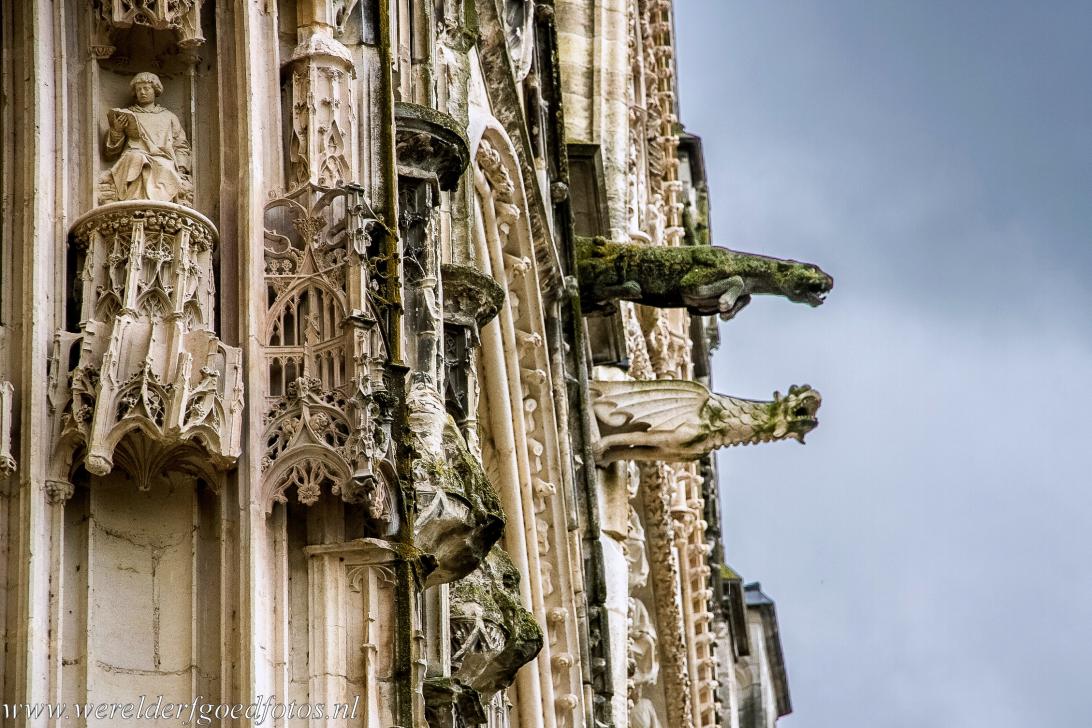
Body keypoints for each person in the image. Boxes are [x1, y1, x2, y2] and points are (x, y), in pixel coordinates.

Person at [103, 72, 192, 203]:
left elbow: (181, 145)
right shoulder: (129, 114)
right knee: (136, 158)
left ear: (155, 90)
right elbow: (110, 152)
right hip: (133, 155)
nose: (142, 92)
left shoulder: (169, 116)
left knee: (165, 167)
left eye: (146, 88)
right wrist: (117, 130)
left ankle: (159, 205)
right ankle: (132, 200)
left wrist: (182, 168)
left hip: (162, 157)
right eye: (139, 89)